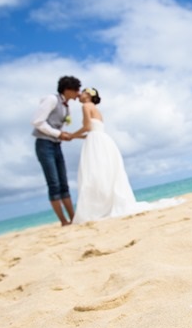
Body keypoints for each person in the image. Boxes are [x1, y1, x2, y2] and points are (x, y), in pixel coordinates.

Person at [70, 87, 139, 223]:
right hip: (103, 140)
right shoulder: (97, 110)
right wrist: (75, 137)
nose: (79, 95)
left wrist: (71, 135)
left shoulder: (86, 106)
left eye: (83, 92)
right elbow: (93, 130)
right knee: (105, 172)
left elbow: (88, 127)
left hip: (95, 142)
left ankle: (98, 208)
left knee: (94, 173)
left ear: (88, 95)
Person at [32, 75, 81, 226]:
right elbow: (37, 122)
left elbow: (59, 126)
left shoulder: (66, 106)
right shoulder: (52, 99)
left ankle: (73, 218)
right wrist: (59, 134)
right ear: (68, 90)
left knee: (63, 183)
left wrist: (63, 135)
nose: (78, 93)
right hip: (44, 144)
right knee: (54, 183)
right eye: (76, 90)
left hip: (56, 144)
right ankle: (63, 221)